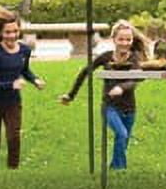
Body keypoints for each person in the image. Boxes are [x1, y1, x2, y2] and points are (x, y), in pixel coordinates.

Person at [59, 19, 148, 170]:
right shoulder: (106, 57)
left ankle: (114, 166)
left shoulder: (134, 59)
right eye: (121, 39)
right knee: (122, 134)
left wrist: (121, 87)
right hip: (110, 107)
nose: (125, 43)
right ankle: (120, 169)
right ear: (113, 40)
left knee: (123, 141)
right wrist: (70, 95)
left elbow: (138, 77)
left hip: (130, 108)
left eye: (128, 39)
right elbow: (85, 72)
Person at [0, 11, 45, 168]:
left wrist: (35, 80)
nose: (12, 35)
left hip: (13, 103)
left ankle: (13, 169)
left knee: (14, 137)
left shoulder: (24, 51)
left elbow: (25, 70)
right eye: (8, 32)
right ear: (0, 33)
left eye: (15, 31)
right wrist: (10, 85)